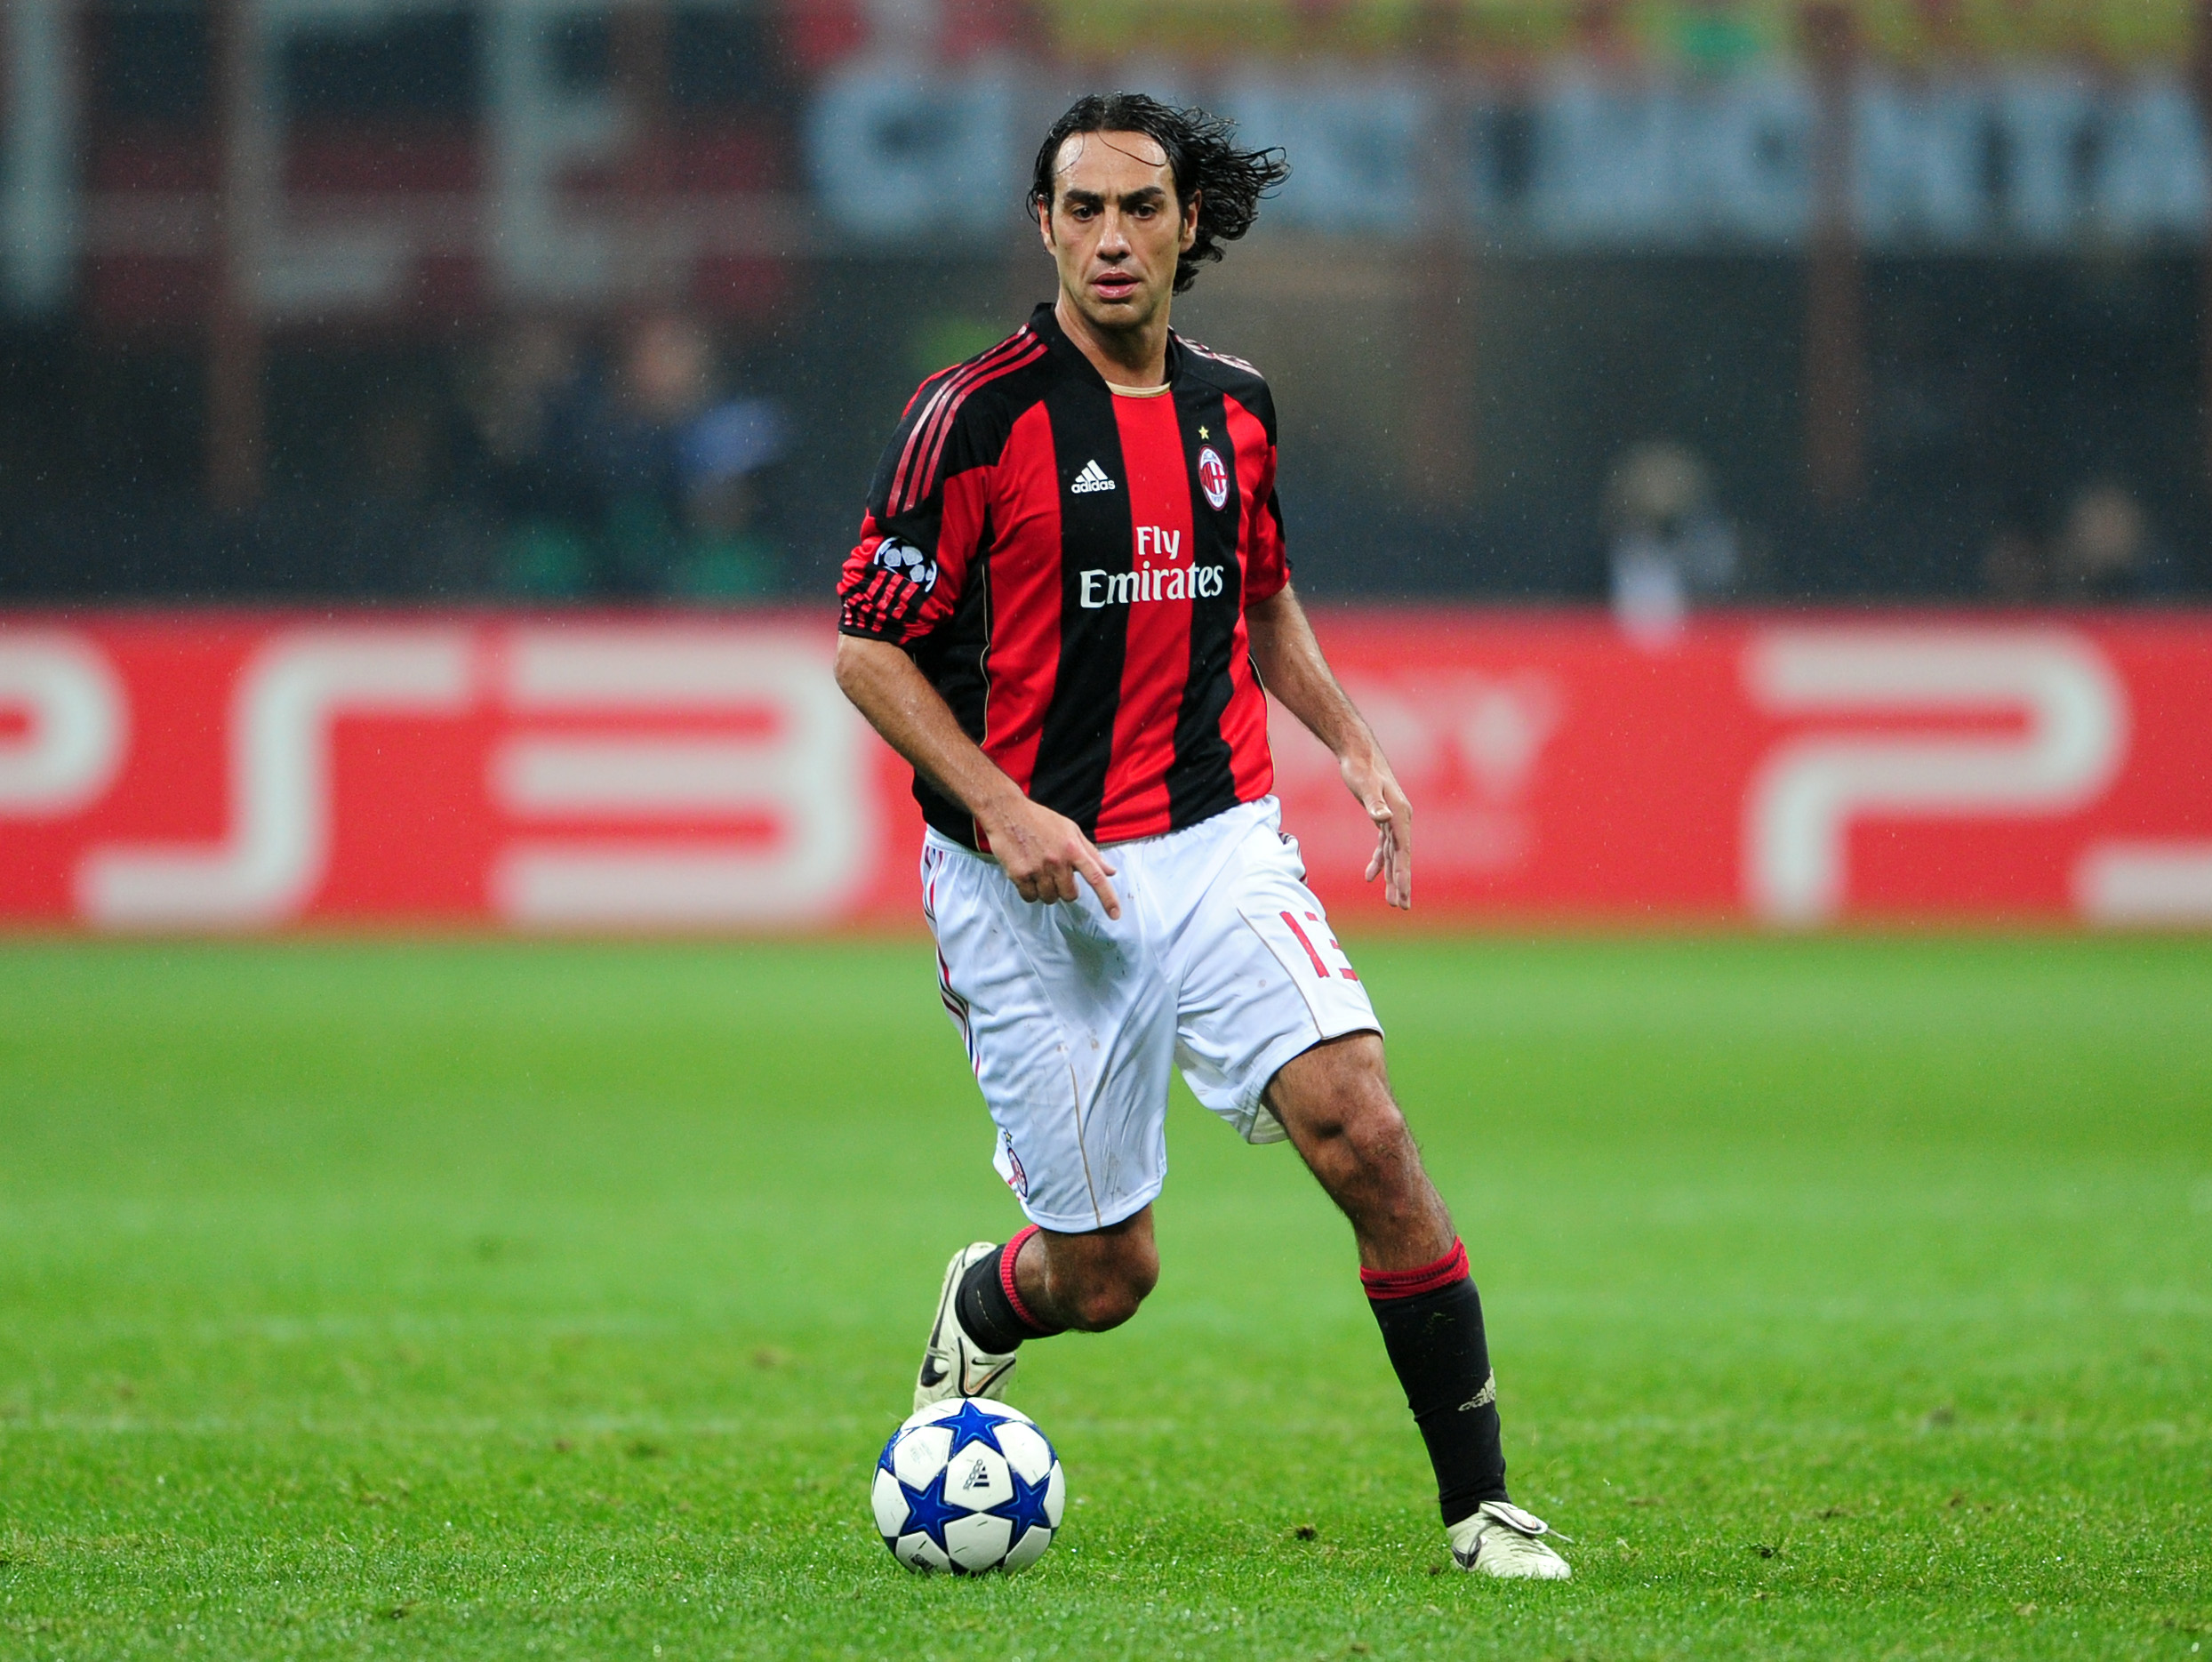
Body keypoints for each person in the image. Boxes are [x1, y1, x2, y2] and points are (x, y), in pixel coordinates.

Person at [832, 92, 1570, 1579]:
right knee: (1107, 1276)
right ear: (1044, 227)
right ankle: (988, 1301)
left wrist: (1350, 740)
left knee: (1365, 1127)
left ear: (1188, 228)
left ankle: (1482, 1504)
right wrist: (1000, 803)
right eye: (1084, 210)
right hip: (1028, 882)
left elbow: (1261, 591)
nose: (1114, 238)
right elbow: (866, 646)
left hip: (1220, 837)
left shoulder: (1240, 405)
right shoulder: (971, 417)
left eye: (1142, 209)